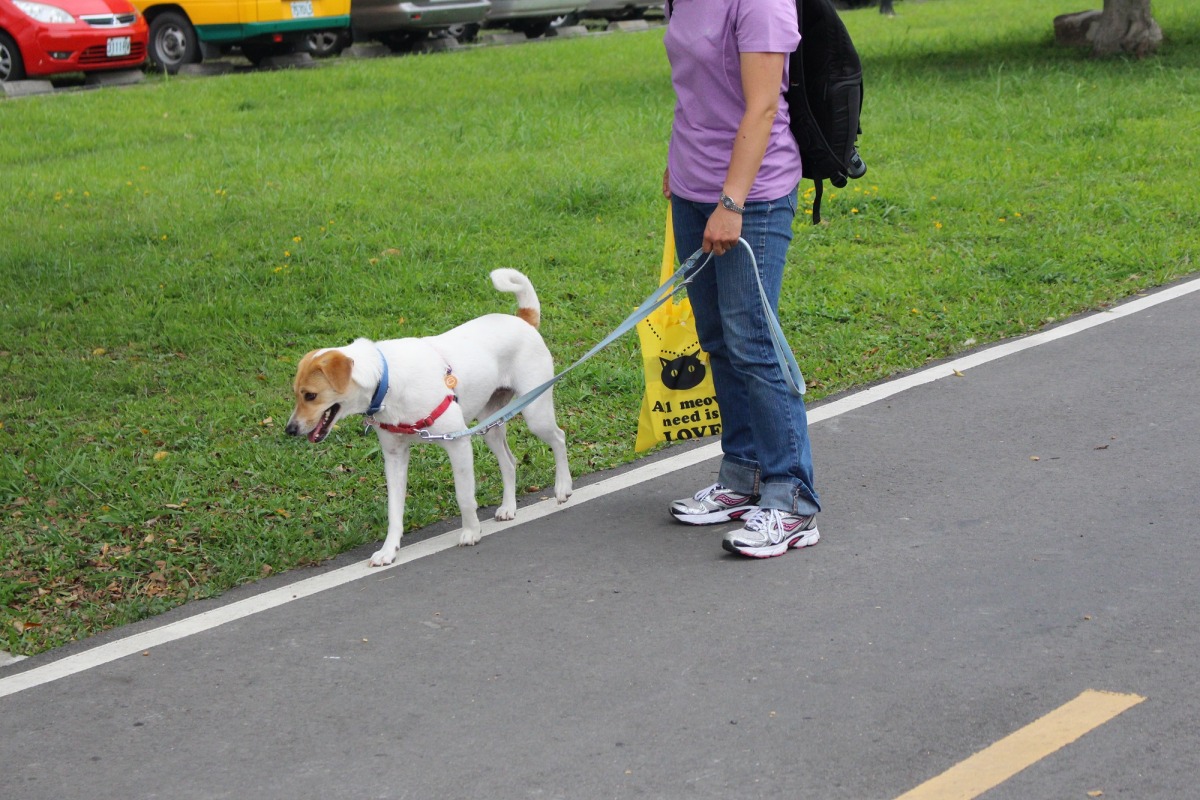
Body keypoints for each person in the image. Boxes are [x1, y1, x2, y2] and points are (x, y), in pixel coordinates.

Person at [662, 0, 821, 558]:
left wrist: (731, 201)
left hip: (753, 195)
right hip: (692, 187)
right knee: (718, 340)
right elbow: (694, 91)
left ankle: (792, 499)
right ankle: (743, 475)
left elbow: (762, 107)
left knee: (752, 341)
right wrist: (678, 166)